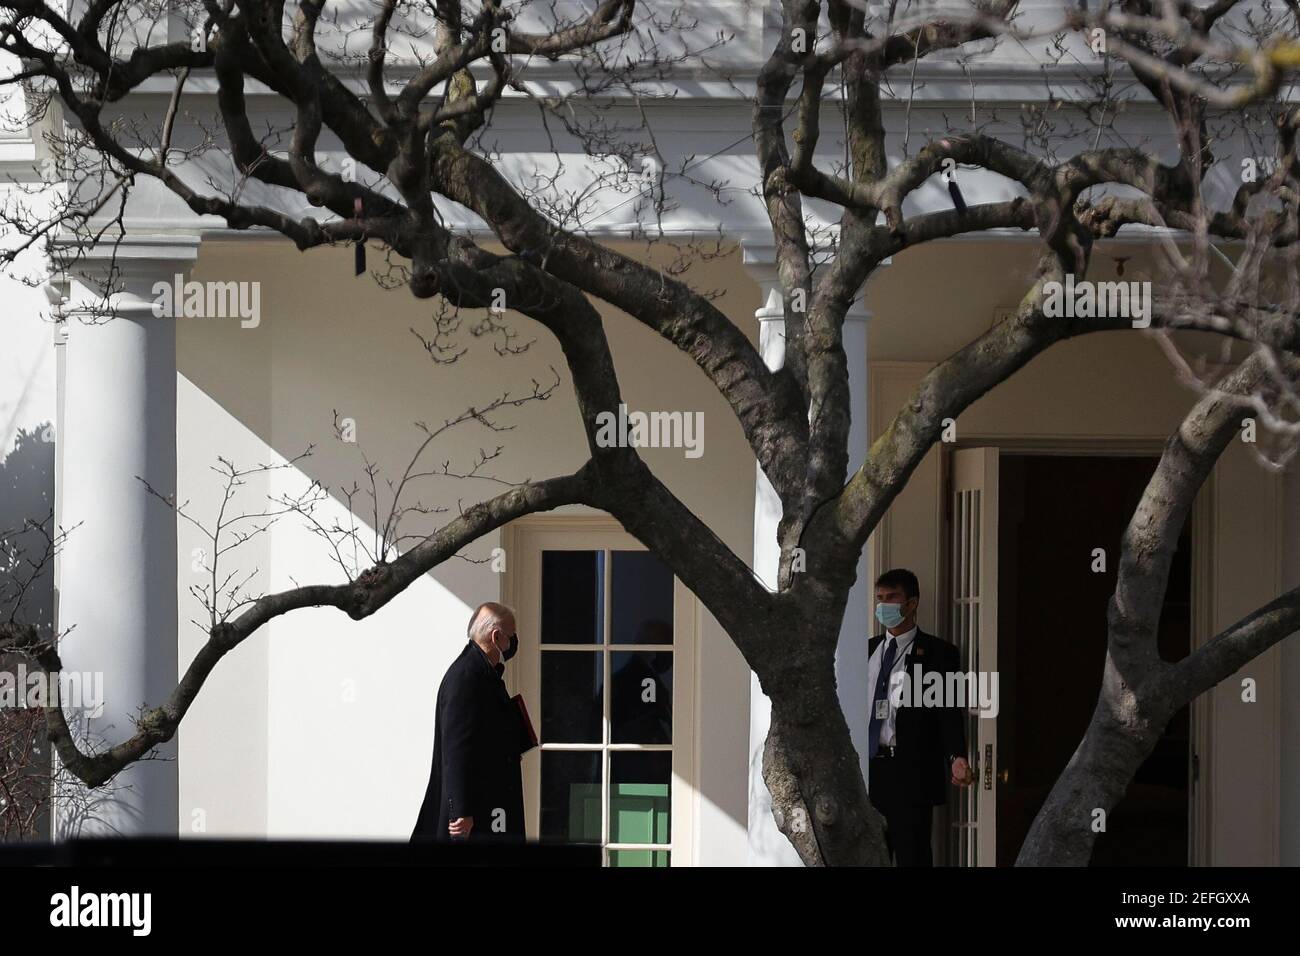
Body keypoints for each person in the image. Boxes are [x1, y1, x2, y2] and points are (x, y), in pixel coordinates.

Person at [867, 569, 973, 866]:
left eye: (892, 598)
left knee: (912, 855)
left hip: (909, 772)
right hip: (867, 770)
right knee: (865, 855)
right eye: (880, 599)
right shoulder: (867, 650)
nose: (883, 605)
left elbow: (948, 711)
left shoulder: (939, 653)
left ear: (912, 603)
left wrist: (957, 755)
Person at [410, 602, 527, 842]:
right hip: (480, 810)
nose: (514, 641)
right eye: (511, 635)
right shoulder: (465, 677)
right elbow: (456, 748)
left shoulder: (483, 674)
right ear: (496, 637)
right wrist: (461, 812)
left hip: (493, 802)